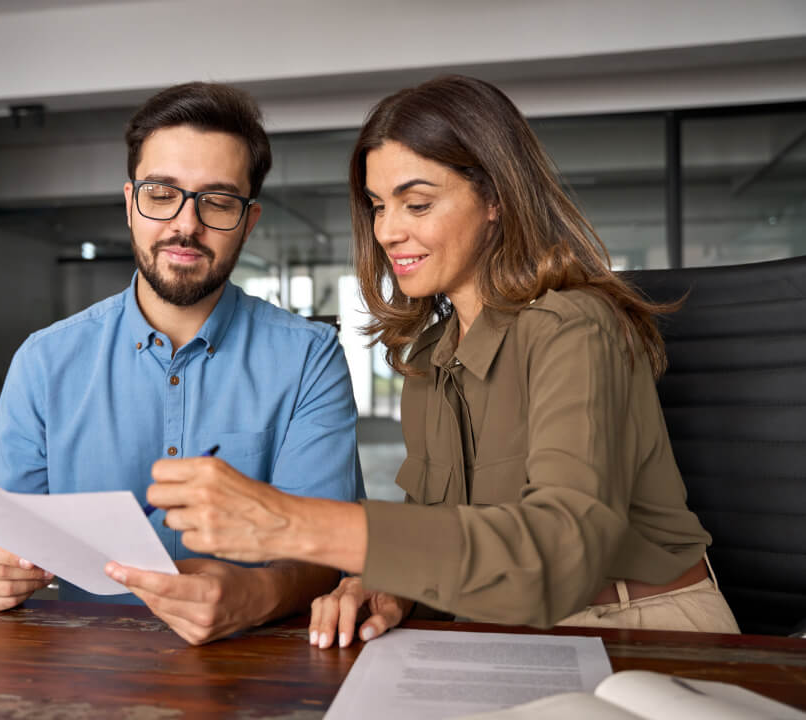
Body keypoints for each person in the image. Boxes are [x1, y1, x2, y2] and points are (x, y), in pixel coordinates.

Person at [141, 75, 741, 649]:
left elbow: (559, 554)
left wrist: (294, 524)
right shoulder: (430, 359)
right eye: (378, 206)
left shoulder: (576, 327)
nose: (388, 231)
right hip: (506, 632)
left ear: (495, 199)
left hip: (641, 627)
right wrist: (392, 587)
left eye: (417, 203)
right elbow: (446, 533)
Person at [0, 82, 363, 645]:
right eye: (162, 193)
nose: (186, 225)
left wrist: (254, 595)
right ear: (130, 203)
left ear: (249, 220)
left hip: (260, 669)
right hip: (87, 671)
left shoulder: (308, 359)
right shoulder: (47, 360)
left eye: (217, 201)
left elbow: (329, 551)